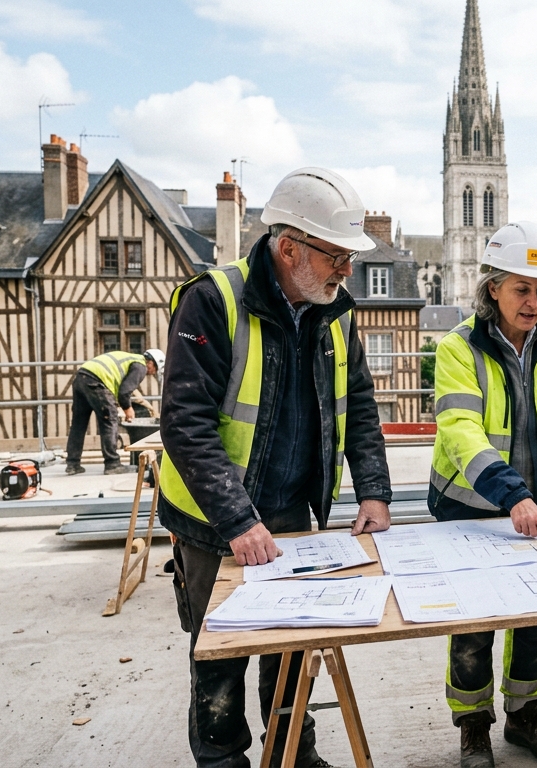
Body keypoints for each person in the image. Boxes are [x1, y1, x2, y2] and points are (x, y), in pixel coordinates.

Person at [158, 167, 394, 768]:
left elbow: (359, 403)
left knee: (291, 649)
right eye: (337, 256)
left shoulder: (333, 311)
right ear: (290, 249)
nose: (347, 270)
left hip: (291, 510)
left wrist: (373, 490)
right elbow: (185, 423)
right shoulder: (212, 300)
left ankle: (293, 753)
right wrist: (238, 520)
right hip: (213, 521)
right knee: (221, 652)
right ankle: (222, 761)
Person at [429, 221, 537, 768]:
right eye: (522, 289)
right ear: (493, 287)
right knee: (473, 626)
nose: (534, 302)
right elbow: (461, 431)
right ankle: (473, 727)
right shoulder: (458, 347)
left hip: (535, 508)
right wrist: (512, 494)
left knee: (534, 619)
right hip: (471, 506)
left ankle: (524, 717)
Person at [65, 348, 164, 475]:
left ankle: (72, 464)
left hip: (81, 377)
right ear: (151, 362)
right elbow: (124, 392)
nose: (151, 373)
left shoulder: (130, 359)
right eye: (154, 370)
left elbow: (121, 389)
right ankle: (112, 464)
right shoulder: (141, 366)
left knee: (78, 424)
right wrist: (128, 409)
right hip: (97, 381)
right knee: (110, 420)